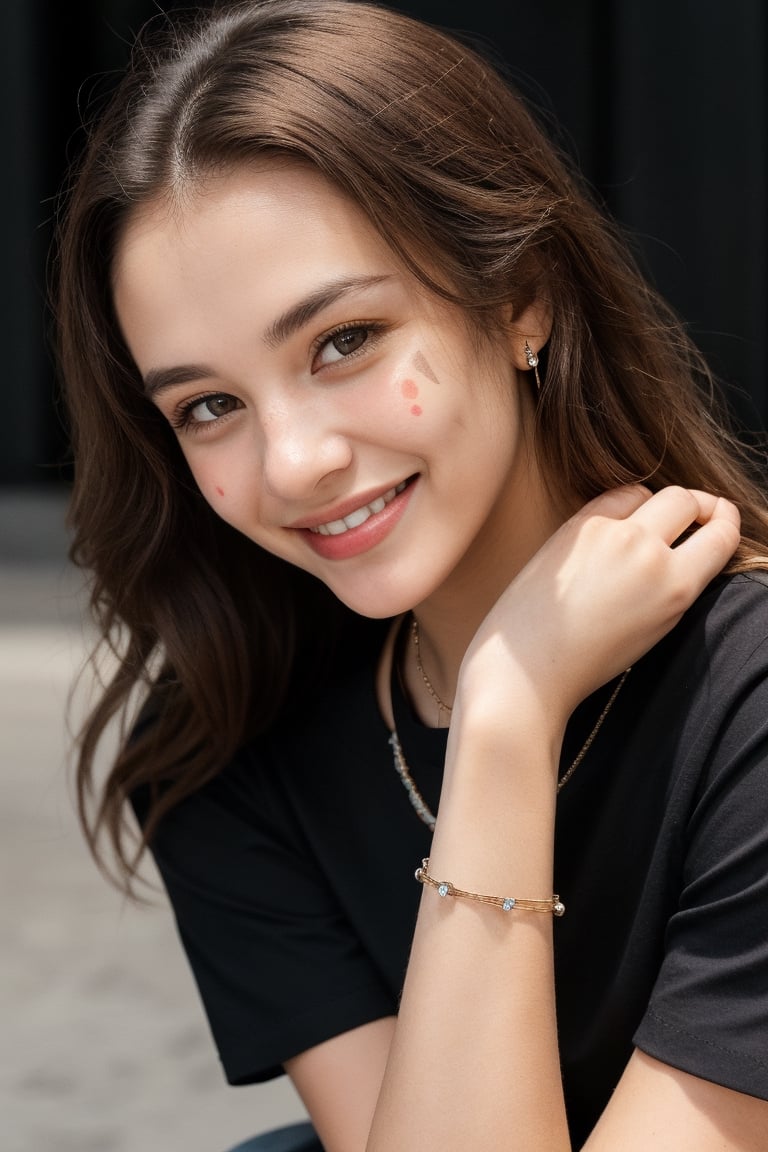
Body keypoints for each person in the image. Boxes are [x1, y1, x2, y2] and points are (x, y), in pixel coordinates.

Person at [53, 1, 768, 1148]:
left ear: (521, 295)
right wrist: (511, 714)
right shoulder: (229, 739)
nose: (295, 463)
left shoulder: (750, 700)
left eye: (344, 341)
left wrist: (506, 704)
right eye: (210, 407)